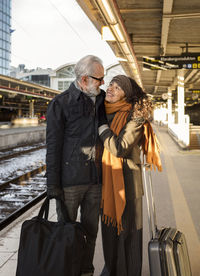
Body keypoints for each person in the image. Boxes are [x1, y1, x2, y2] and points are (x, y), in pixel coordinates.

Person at [46, 55, 105, 276]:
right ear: (83, 79)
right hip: (69, 183)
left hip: (95, 181)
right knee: (67, 234)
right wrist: (53, 185)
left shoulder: (101, 100)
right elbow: (53, 147)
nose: (102, 83)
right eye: (98, 79)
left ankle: (86, 272)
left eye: (103, 78)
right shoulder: (60, 104)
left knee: (91, 233)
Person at [98, 75, 162, 276]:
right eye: (111, 85)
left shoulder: (135, 117)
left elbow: (120, 148)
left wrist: (102, 128)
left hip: (129, 185)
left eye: (117, 88)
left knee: (130, 235)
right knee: (109, 234)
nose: (111, 89)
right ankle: (113, 270)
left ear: (126, 94)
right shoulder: (104, 111)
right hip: (108, 184)